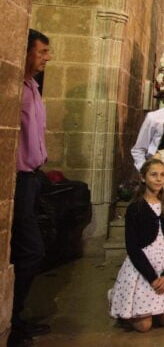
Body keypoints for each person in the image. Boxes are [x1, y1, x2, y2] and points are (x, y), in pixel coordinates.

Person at [11, 29, 52, 344]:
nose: (46, 57)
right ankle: (11, 317)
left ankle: (15, 315)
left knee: (31, 248)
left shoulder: (33, 88)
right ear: (24, 51)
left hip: (33, 177)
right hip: (19, 178)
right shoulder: (16, 89)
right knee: (31, 250)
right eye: (42, 51)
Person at [108, 160, 164, 332]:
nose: (159, 179)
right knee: (144, 326)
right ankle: (118, 297)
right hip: (145, 269)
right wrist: (153, 278)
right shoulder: (136, 208)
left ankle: (155, 308)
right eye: (154, 174)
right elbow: (132, 247)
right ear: (143, 177)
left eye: (162, 174)